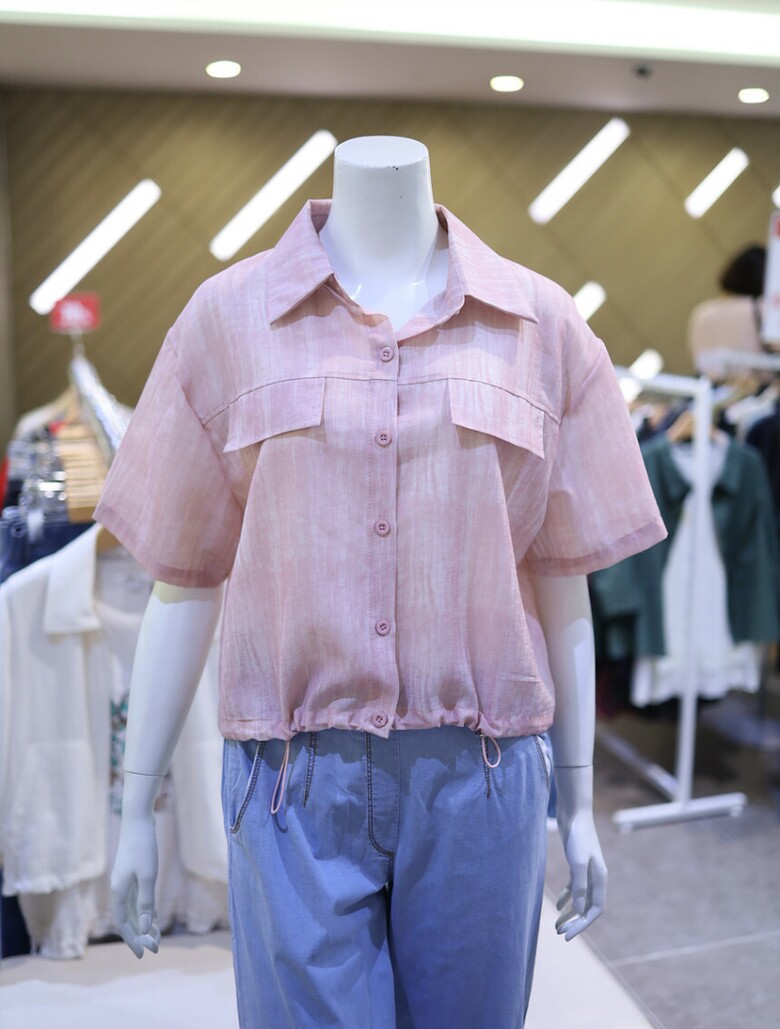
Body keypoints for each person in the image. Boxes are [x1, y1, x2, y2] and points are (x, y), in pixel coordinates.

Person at [96, 136, 666, 1027]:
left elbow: (562, 579)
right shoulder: (228, 319)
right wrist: (137, 804)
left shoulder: (541, 327)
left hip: (483, 773)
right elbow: (184, 579)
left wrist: (580, 797)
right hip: (290, 779)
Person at [688, 244, 767, 377]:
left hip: (713, 386)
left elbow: (699, 360)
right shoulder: (761, 308)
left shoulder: (702, 312)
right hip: (756, 385)